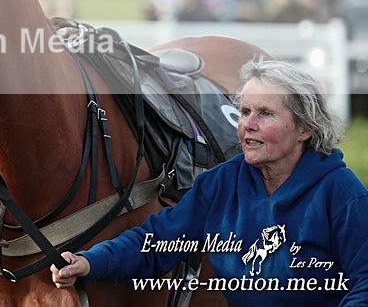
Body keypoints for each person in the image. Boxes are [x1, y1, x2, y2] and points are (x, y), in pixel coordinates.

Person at [51, 58, 368, 305]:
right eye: (244, 112)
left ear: (304, 129)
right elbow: (159, 240)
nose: (248, 125)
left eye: (265, 114)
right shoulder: (222, 183)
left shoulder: (341, 193)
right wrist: (91, 262)